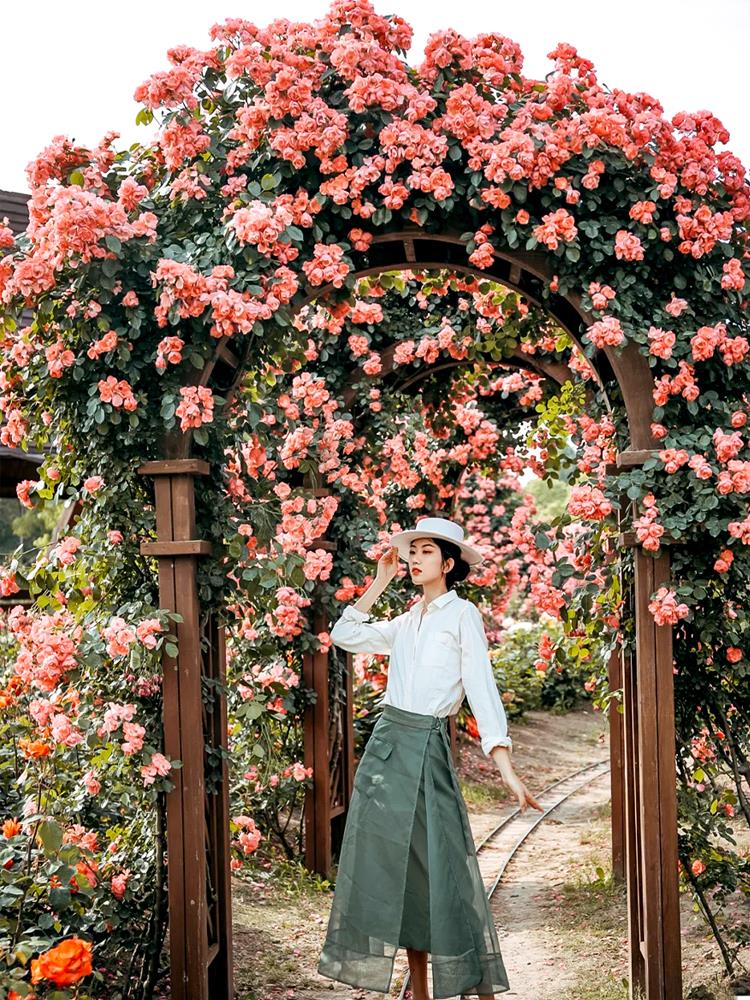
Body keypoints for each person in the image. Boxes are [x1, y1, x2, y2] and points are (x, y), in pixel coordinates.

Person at [317, 516, 542, 1000]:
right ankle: (419, 990)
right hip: (386, 749)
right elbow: (343, 634)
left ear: (448, 561)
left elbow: (483, 689)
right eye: (410, 551)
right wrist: (377, 582)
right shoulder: (405, 621)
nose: (414, 558)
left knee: (447, 867)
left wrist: (505, 767)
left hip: (429, 749)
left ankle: (477, 985)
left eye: (424, 551)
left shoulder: (463, 617)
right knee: (397, 871)